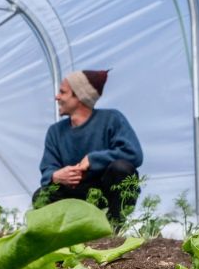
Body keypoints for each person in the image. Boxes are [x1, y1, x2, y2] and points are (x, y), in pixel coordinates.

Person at [34, 70, 143, 222]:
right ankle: (65, 234)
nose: (56, 97)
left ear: (79, 97)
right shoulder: (55, 132)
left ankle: (115, 224)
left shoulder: (112, 119)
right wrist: (56, 176)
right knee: (41, 196)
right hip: (76, 195)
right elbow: (47, 168)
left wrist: (93, 160)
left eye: (62, 92)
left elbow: (133, 154)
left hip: (105, 192)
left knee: (122, 169)